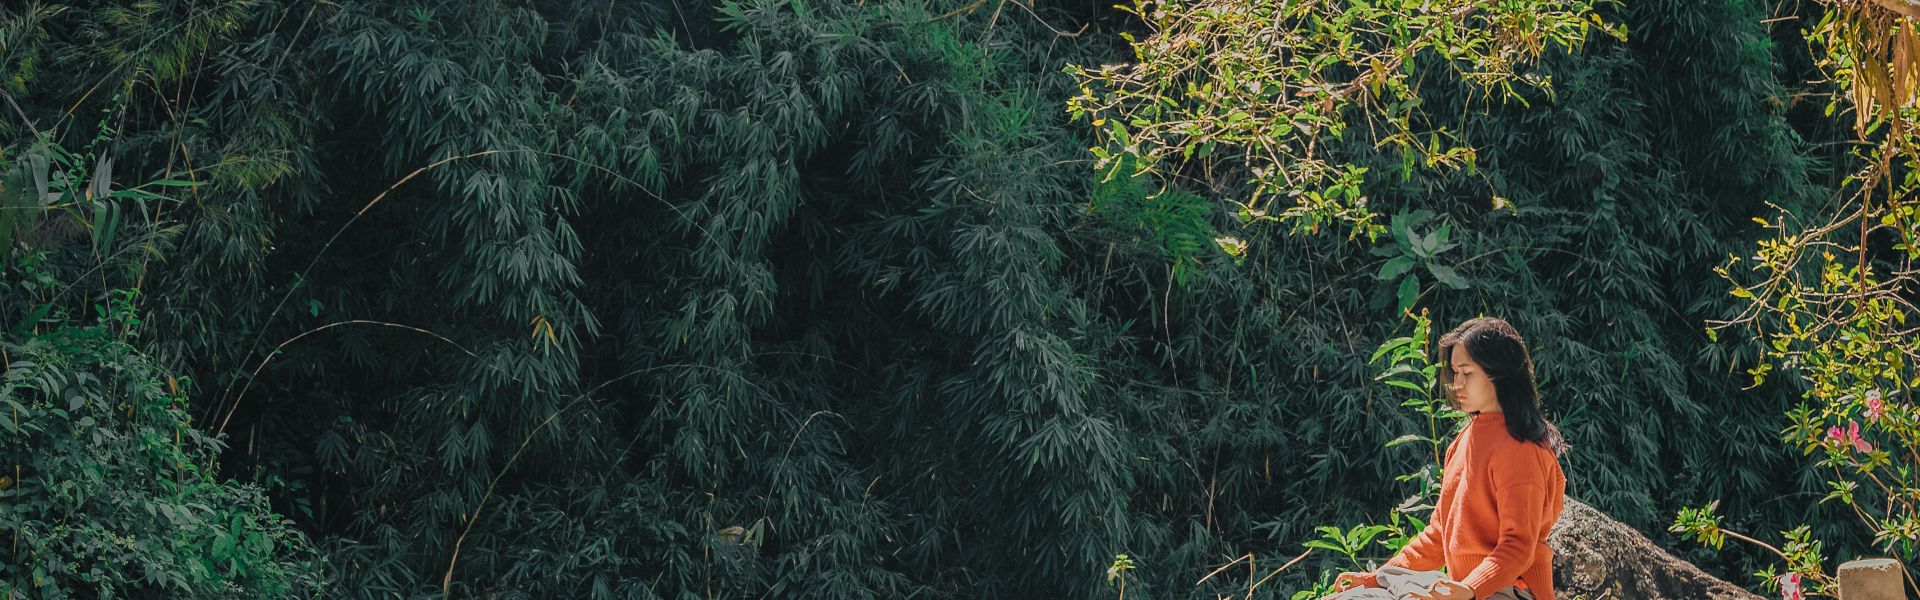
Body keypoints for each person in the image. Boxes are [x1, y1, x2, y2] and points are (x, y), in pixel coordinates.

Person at [1330, 317, 1569, 600]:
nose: (1456, 384)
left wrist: (1469, 590)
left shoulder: (1521, 450)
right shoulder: (1462, 441)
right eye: (1455, 372)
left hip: (1507, 592)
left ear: (1499, 374)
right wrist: (1377, 578)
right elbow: (1438, 535)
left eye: (1467, 373)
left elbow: (1517, 547)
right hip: (1462, 588)